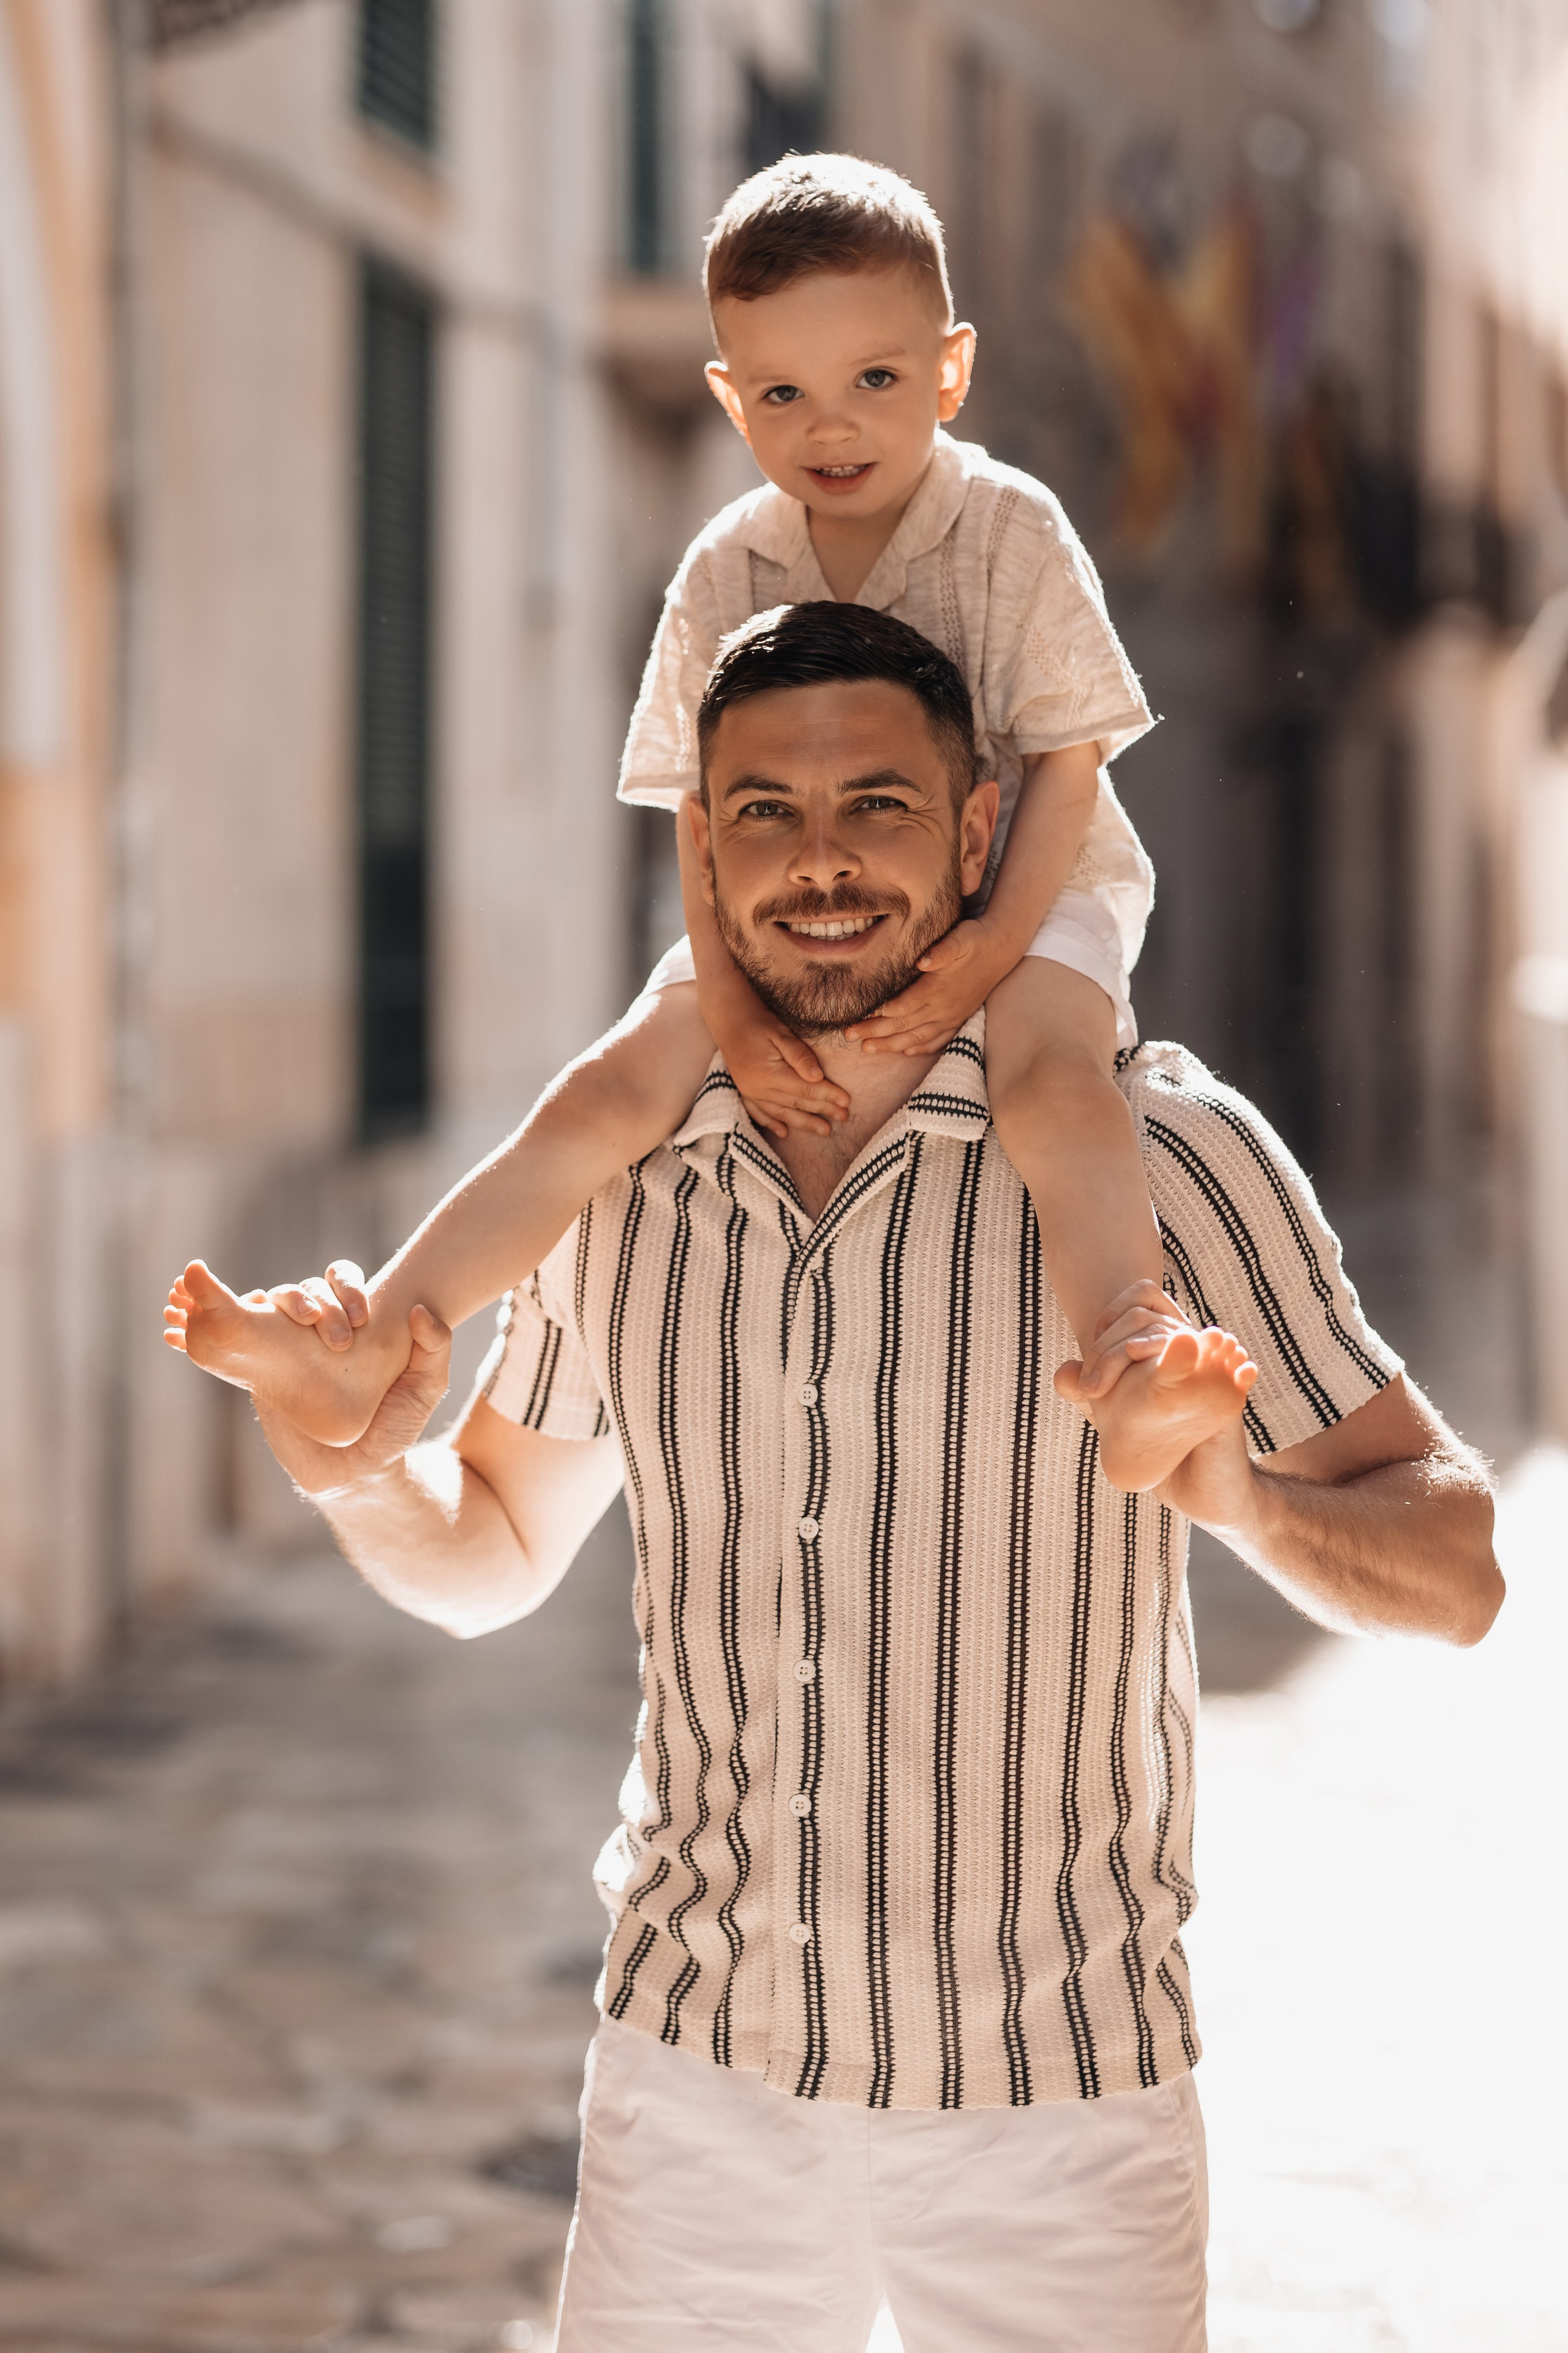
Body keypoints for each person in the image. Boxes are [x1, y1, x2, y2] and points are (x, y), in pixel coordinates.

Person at [170, 605, 1502, 2353]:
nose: (819, 864)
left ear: (978, 832)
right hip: (693, 2097)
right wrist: (350, 1472)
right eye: (765, 813)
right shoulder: (625, 1186)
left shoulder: (1161, 1156)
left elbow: (1457, 1568)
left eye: (877, 804)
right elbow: (491, 1546)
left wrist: (1240, 1501)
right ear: (700, 846)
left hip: (1060, 2108)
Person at [166, 151, 1182, 1490]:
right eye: (782, 393)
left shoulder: (1012, 529)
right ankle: (372, 1340)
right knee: (604, 1090)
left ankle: (1131, 1346)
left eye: (875, 380)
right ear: (727, 395)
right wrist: (736, 1017)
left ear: (950, 370)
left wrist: (986, 957)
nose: (830, 427)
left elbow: (1068, 765)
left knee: (1050, 1072)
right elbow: (701, 826)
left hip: (1035, 878)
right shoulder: (724, 568)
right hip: (791, 899)